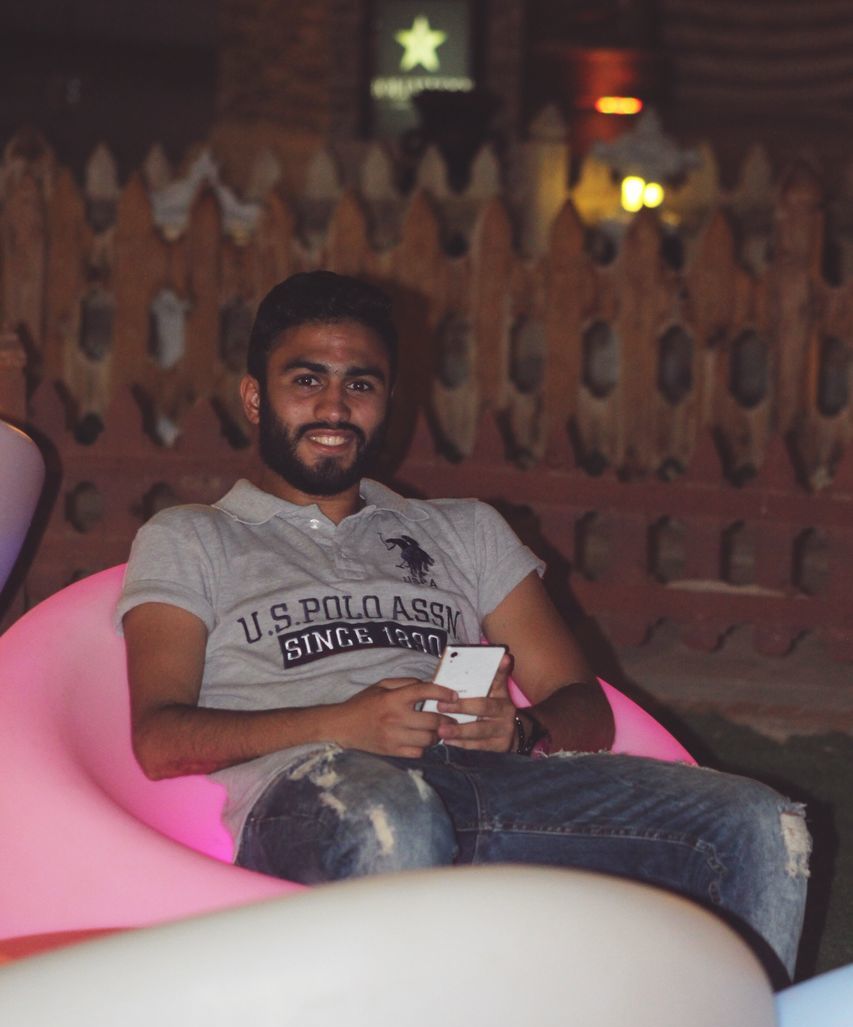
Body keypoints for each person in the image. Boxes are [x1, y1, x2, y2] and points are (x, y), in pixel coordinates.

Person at [118, 270, 810, 984]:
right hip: (321, 794)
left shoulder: (464, 529)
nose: (334, 406)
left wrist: (520, 732)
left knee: (756, 821)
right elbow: (160, 739)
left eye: (360, 385)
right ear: (255, 397)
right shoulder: (191, 537)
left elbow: (583, 704)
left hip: (482, 784)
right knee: (396, 812)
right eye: (306, 380)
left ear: (387, 401)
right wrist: (340, 724)